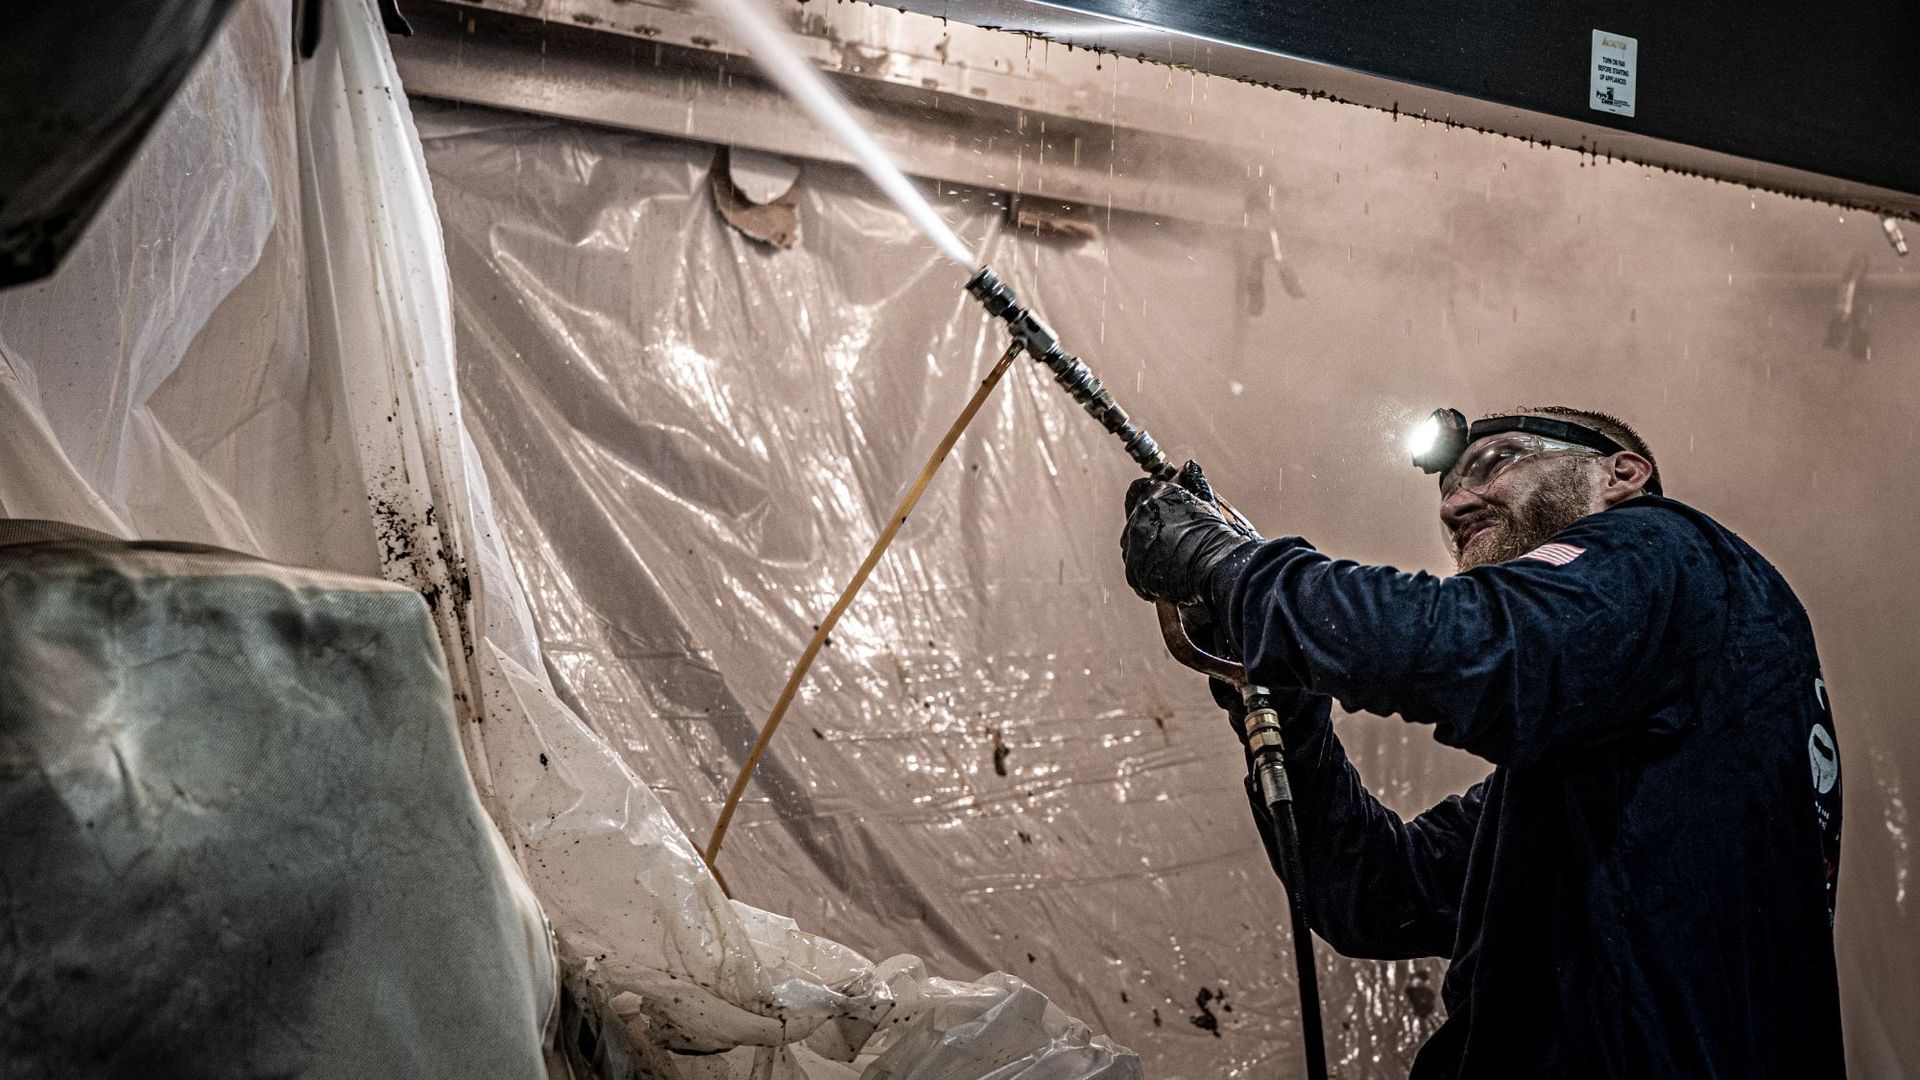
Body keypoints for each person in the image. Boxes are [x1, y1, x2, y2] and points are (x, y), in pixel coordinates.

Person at [1118, 406, 1846, 1079]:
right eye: (1446, 488)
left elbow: (1472, 645)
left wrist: (1239, 574)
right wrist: (1290, 706)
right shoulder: (1609, 779)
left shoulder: (1667, 547)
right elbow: (1376, 895)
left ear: (1622, 474)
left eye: (1496, 461)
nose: (1453, 505)